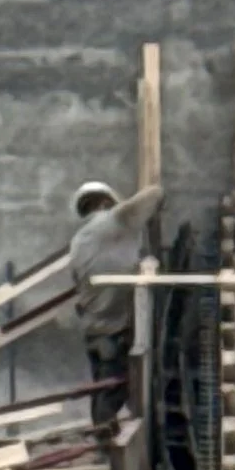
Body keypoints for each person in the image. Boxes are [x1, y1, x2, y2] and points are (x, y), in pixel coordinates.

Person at [69, 180, 153, 432]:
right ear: (106, 202)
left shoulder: (78, 242)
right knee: (113, 391)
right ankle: (111, 453)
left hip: (93, 329)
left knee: (103, 388)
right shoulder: (112, 220)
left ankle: (105, 442)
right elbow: (155, 194)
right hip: (113, 330)